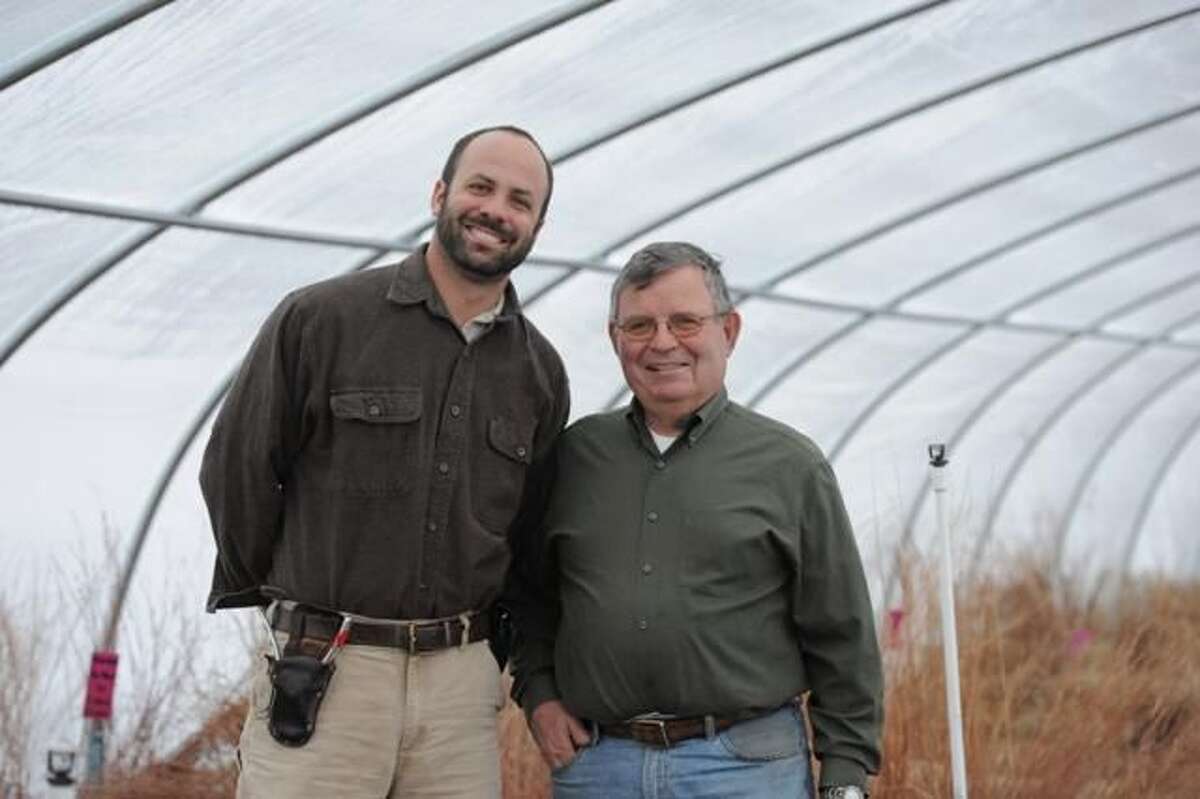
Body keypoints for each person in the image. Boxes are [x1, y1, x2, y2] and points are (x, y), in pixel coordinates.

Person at [199, 125, 570, 799]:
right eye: (480, 186)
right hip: (326, 672)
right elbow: (237, 470)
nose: (496, 209)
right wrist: (294, 601)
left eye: (520, 200)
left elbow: (531, 535)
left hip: (461, 690)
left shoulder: (539, 372)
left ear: (537, 226)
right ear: (439, 194)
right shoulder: (321, 320)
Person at [510, 242, 882, 799]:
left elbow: (841, 630)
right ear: (616, 340)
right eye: (639, 325)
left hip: (749, 767)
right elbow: (531, 594)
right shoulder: (573, 456)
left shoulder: (789, 466)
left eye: (685, 321)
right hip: (599, 766)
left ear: (728, 331)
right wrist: (538, 692)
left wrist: (846, 775)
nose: (662, 343)